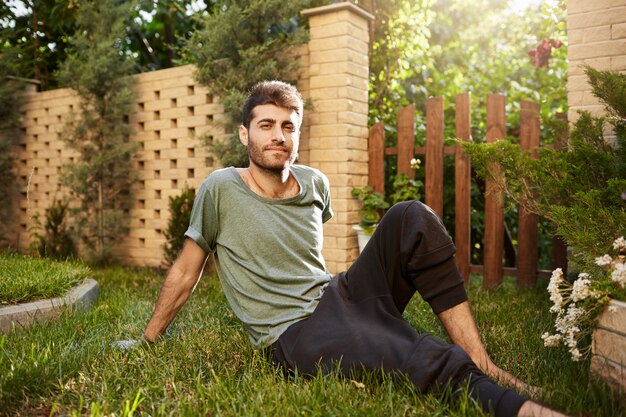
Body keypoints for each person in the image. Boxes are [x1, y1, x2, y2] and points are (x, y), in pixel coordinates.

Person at [141, 80, 568, 417]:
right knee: (410, 351)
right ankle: (521, 409)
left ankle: (480, 359)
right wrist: (148, 340)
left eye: (288, 126)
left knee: (411, 214)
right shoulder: (221, 189)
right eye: (266, 125)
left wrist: (356, 302)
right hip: (295, 335)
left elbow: (307, 259)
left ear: (299, 133)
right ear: (245, 133)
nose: (278, 136)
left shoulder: (315, 184)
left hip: (336, 295)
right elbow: (186, 270)